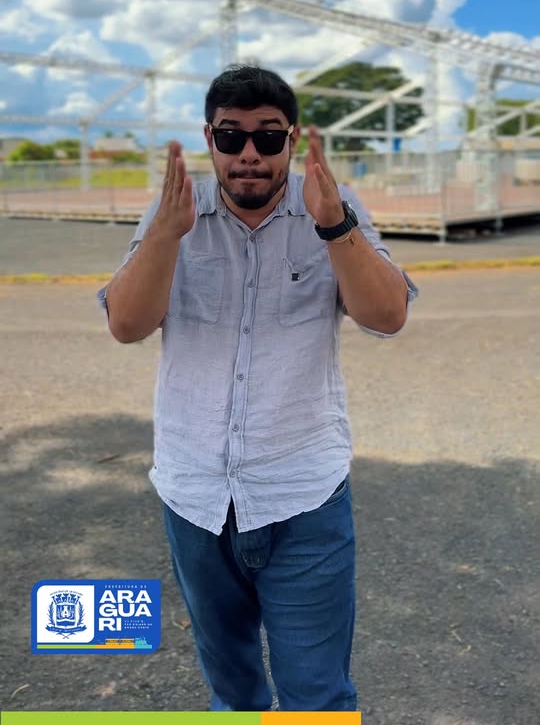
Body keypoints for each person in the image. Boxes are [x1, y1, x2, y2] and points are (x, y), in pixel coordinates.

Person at [98, 64, 417, 712]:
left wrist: (334, 226)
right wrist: (165, 234)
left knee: (317, 696)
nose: (249, 153)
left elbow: (387, 316)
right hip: (195, 497)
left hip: (302, 494)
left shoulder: (331, 205)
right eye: (231, 136)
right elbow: (127, 324)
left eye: (268, 137)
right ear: (209, 138)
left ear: (292, 140)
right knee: (234, 693)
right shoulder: (172, 213)